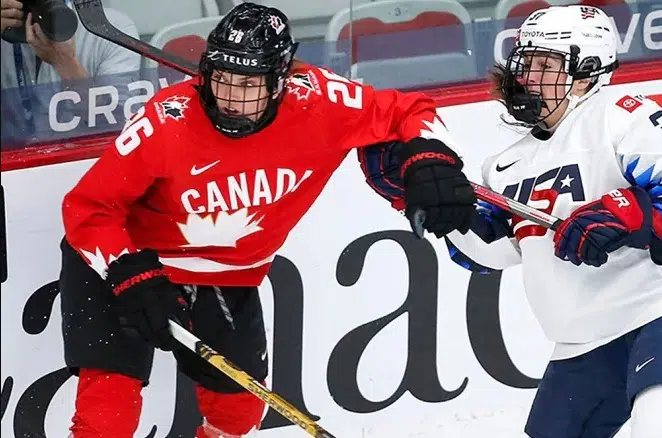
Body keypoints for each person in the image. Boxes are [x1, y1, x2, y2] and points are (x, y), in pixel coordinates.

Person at [58, 3, 475, 437]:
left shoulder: (321, 101)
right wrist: (130, 274)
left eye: (248, 83)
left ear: (280, 82)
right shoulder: (167, 119)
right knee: (107, 417)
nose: (230, 98)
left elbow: (410, 109)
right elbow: (88, 207)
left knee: (236, 417)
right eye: (222, 78)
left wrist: (431, 159)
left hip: (224, 273)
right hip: (125, 260)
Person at [427, 5, 662, 438]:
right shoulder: (503, 166)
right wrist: (441, 208)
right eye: (526, 64)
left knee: (660, 427)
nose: (528, 77)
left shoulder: (620, 114)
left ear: (587, 72)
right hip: (584, 340)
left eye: (545, 66)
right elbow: (491, 253)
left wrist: (626, 213)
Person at [1, 0, 140, 146]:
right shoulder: (5, 25)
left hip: (82, 154)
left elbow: (121, 130)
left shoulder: (111, 29)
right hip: (13, 154)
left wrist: (66, 64)